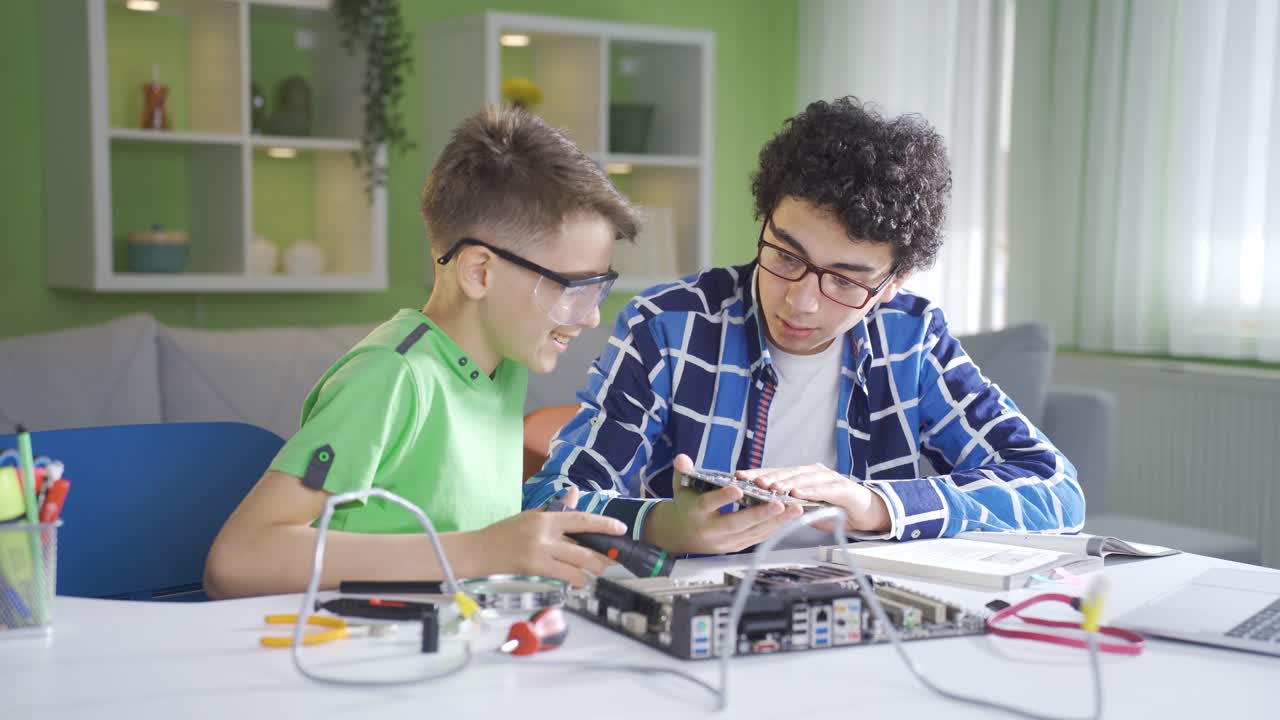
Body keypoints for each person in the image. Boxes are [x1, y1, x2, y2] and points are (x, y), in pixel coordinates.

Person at [523, 97, 1085, 554]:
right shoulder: (670, 326)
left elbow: (1055, 490)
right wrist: (664, 525)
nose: (802, 302)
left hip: (863, 624)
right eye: (786, 256)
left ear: (894, 282)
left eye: (844, 281)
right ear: (764, 220)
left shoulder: (910, 340)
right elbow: (551, 498)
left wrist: (875, 504)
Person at [205, 106, 638, 598]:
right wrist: (483, 550)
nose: (591, 316)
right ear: (480, 273)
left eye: (599, 289)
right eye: (574, 289)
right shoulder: (391, 376)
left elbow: (454, 525)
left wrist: (525, 536)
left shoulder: (505, 365)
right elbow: (237, 559)